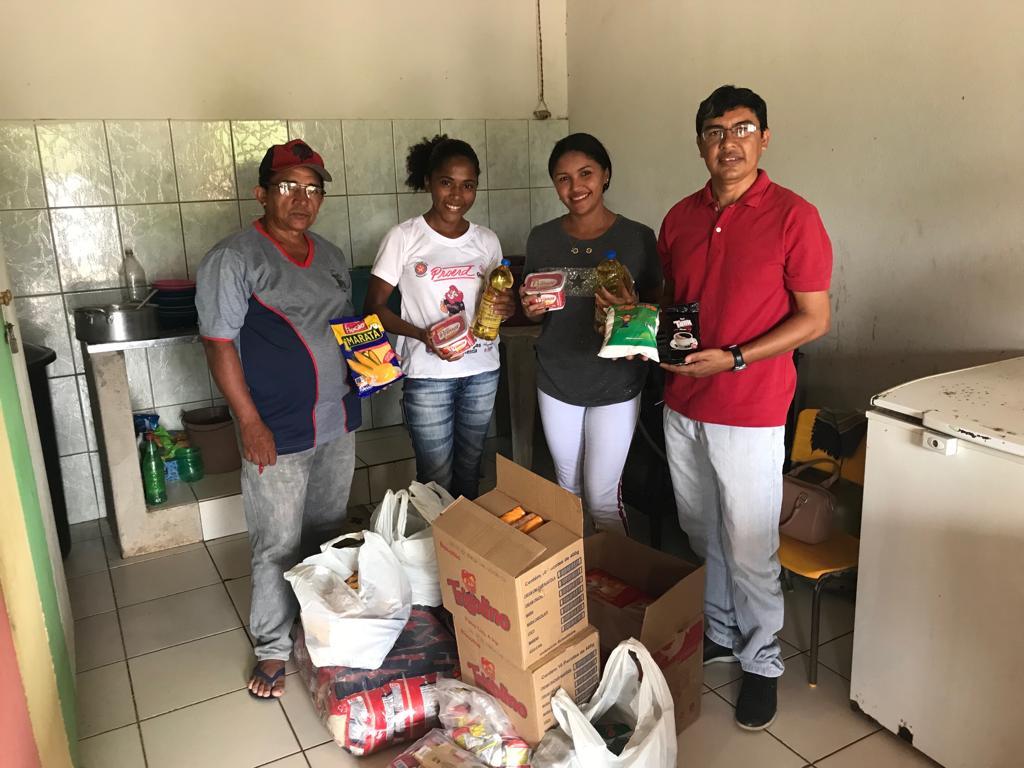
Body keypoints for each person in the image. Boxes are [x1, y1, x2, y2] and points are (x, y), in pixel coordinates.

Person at [657, 85, 833, 729]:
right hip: (682, 401)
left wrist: (734, 357)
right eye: (713, 131)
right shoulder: (678, 217)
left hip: (750, 405)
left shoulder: (794, 216)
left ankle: (763, 664)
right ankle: (725, 634)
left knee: (751, 543)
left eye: (742, 128)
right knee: (702, 531)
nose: (727, 142)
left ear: (764, 137)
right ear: (699, 140)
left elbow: (814, 319)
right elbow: (676, 305)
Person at [196, 139, 360, 699]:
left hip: (336, 421)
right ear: (261, 193)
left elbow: (348, 331)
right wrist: (249, 422)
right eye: (287, 186)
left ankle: (317, 627)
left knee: (325, 532)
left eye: (312, 189)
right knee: (276, 543)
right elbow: (218, 344)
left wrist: (374, 368)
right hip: (277, 429)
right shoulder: (236, 258)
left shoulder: (333, 257)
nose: (301, 199)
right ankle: (270, 646)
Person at [521, 133, 661, 534]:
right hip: (557, 376)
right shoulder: (542, 237)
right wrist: (531, 309)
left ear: (605, 176)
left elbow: (655, 309)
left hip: (615, 381)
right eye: (563, 178)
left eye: (585, 173)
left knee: (601, 496)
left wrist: (630, 306)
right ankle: (574, 584)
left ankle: (617, 586)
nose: (575, 186)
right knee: (567, 489)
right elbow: (536, 309)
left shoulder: (637, 237)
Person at [364, 135, 513, 499]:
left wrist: (504, 309)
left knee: (471, 467)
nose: (456, 195)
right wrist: (421, 334)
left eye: (468, 185)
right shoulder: (404, 237)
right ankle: (435, 552)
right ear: (429, 181)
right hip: (428, 377)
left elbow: (493, 299)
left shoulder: (486, 240)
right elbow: (373, 309)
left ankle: (463, 552)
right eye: (447, 182)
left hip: (481, 371)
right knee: (435, 477)